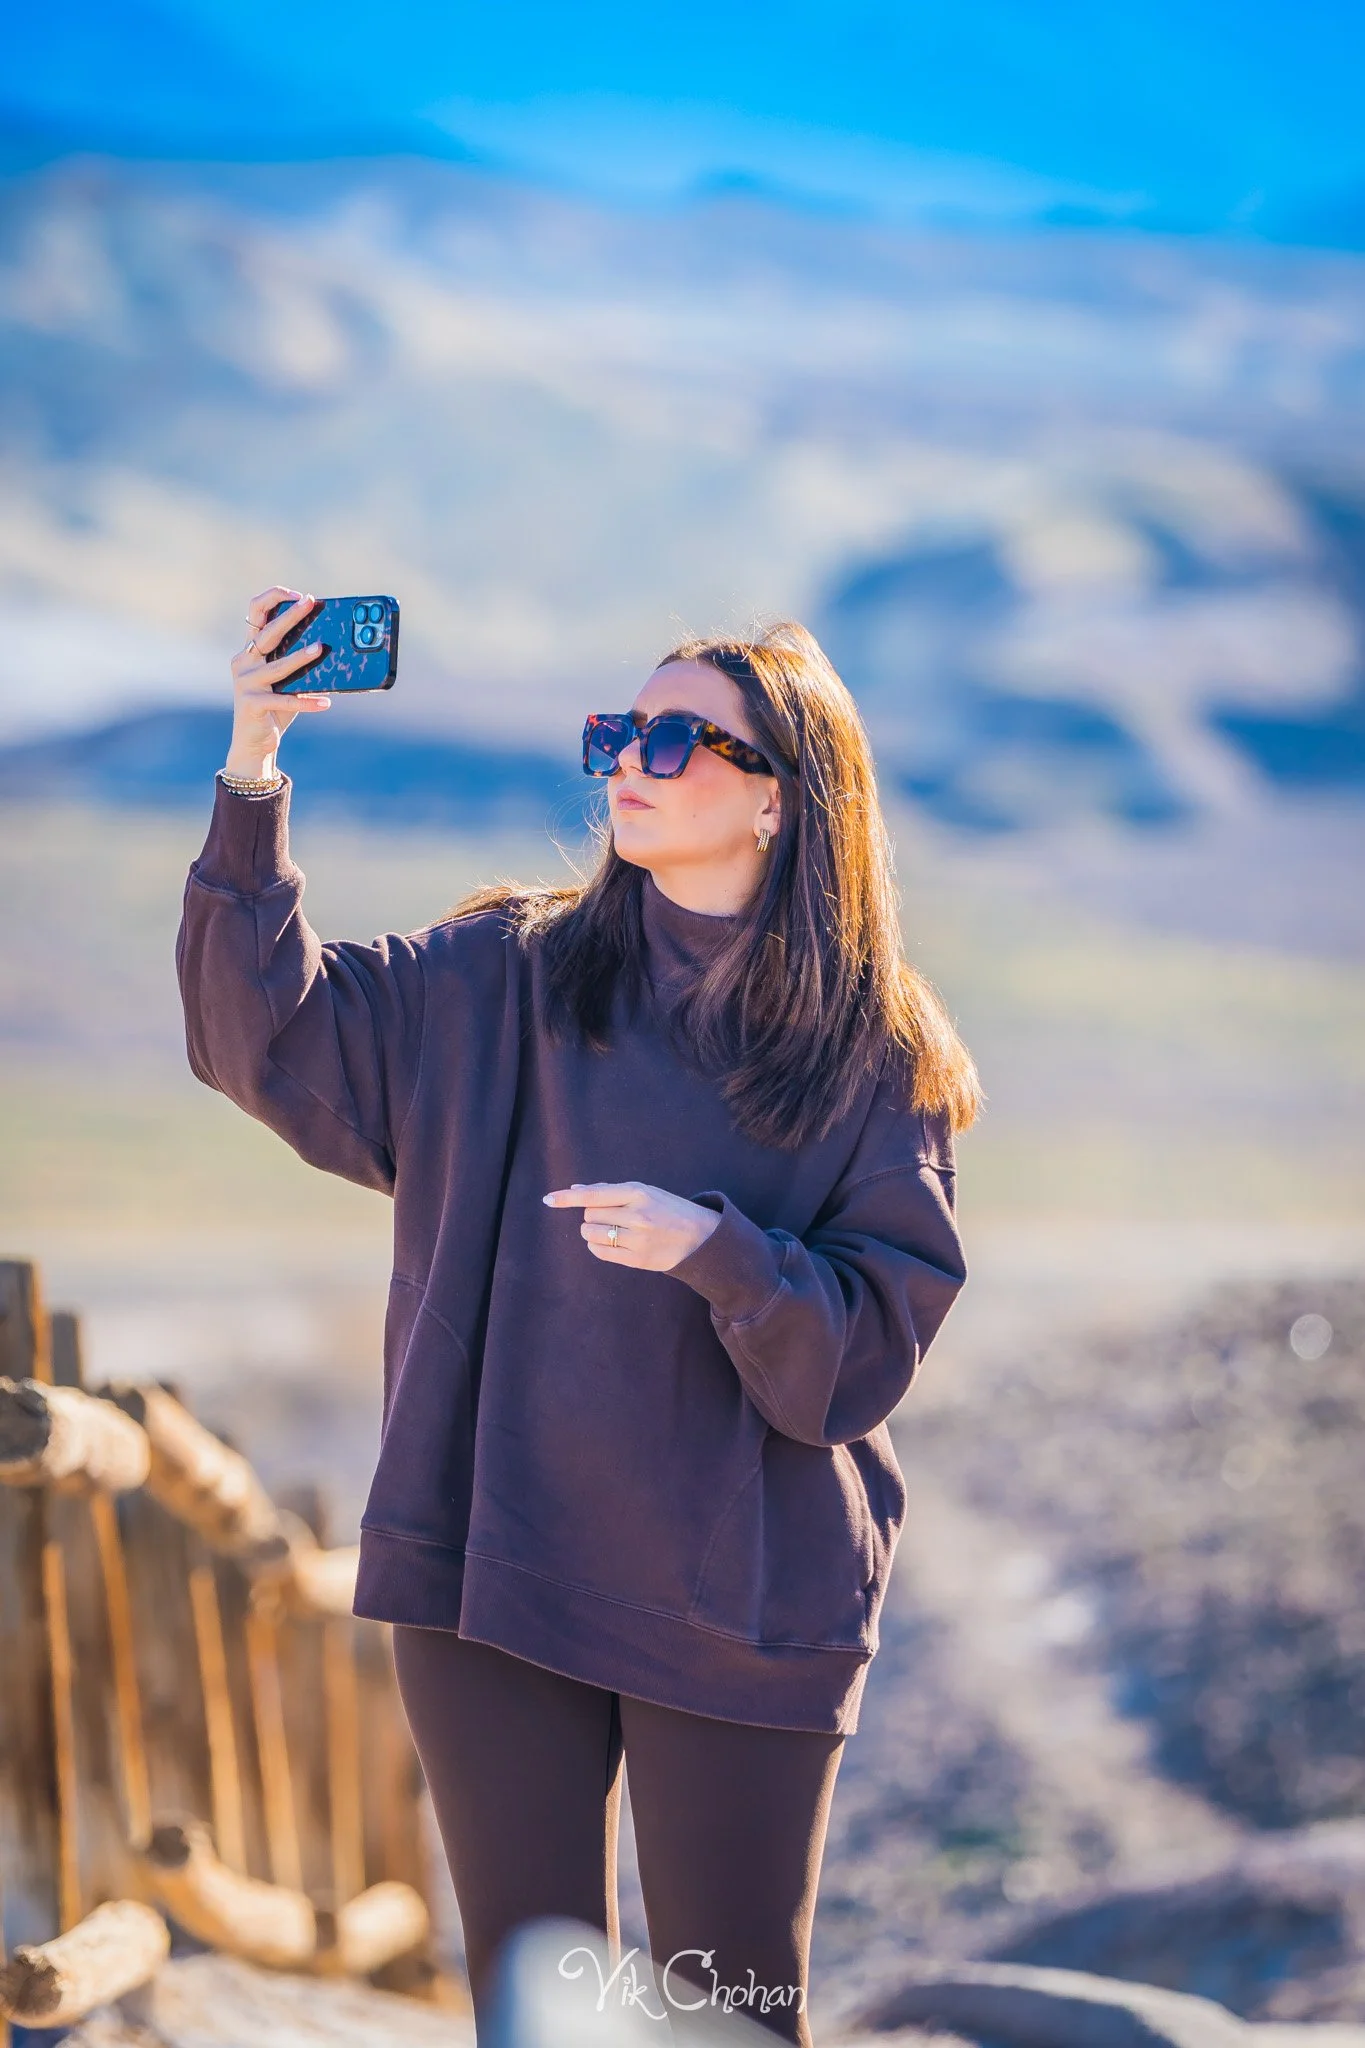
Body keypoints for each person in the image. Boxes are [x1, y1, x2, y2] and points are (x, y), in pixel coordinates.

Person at [176, 586, 980, 2045]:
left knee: (725, 2020)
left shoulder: (878, 1056)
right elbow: (260, 1035)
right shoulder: (500, 975)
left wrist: (719, 1252)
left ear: (783, 800)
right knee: (533, 2018)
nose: (630, 758)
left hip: (742, 1603)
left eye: (679, 738)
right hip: (499, 1571)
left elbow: (855, 1363)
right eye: (620, 729)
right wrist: (256, 766)